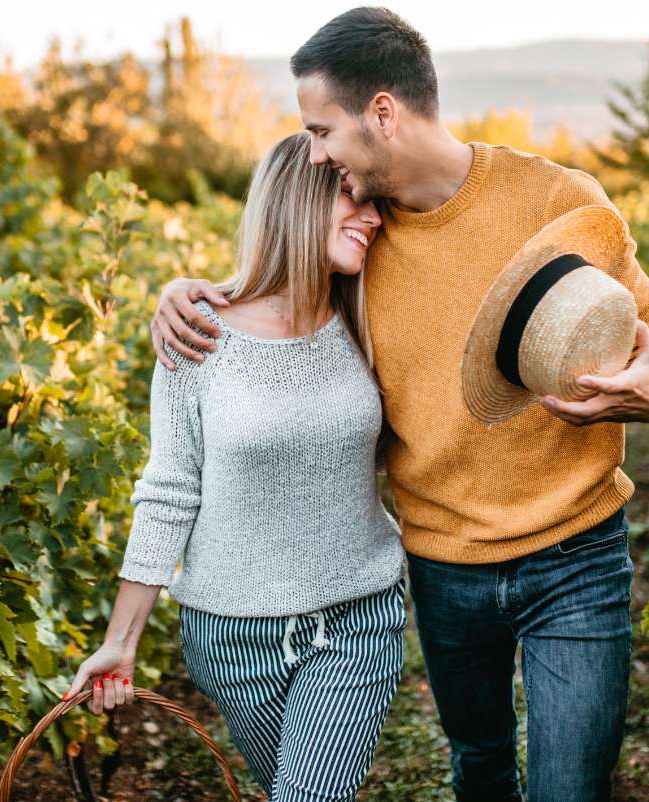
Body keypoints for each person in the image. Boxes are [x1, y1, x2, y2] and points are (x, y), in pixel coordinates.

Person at [148, 9, 649, 802]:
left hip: (577, 551)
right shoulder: (358, 244)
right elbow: (273, 303)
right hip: (445, 567)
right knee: (479, 770)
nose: (316, 153)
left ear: (383, 113)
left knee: (570, 788)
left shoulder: (558, 200)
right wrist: (181, 296)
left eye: (323, 129)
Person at [62, 132, 407, 802]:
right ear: (295, 198)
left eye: (376, 202)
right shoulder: (199, 331)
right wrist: (120, 641)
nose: (373, 215)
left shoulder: (368, 314)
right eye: (352, 196)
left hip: (357, 617)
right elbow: (169, 491)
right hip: (230, 637)